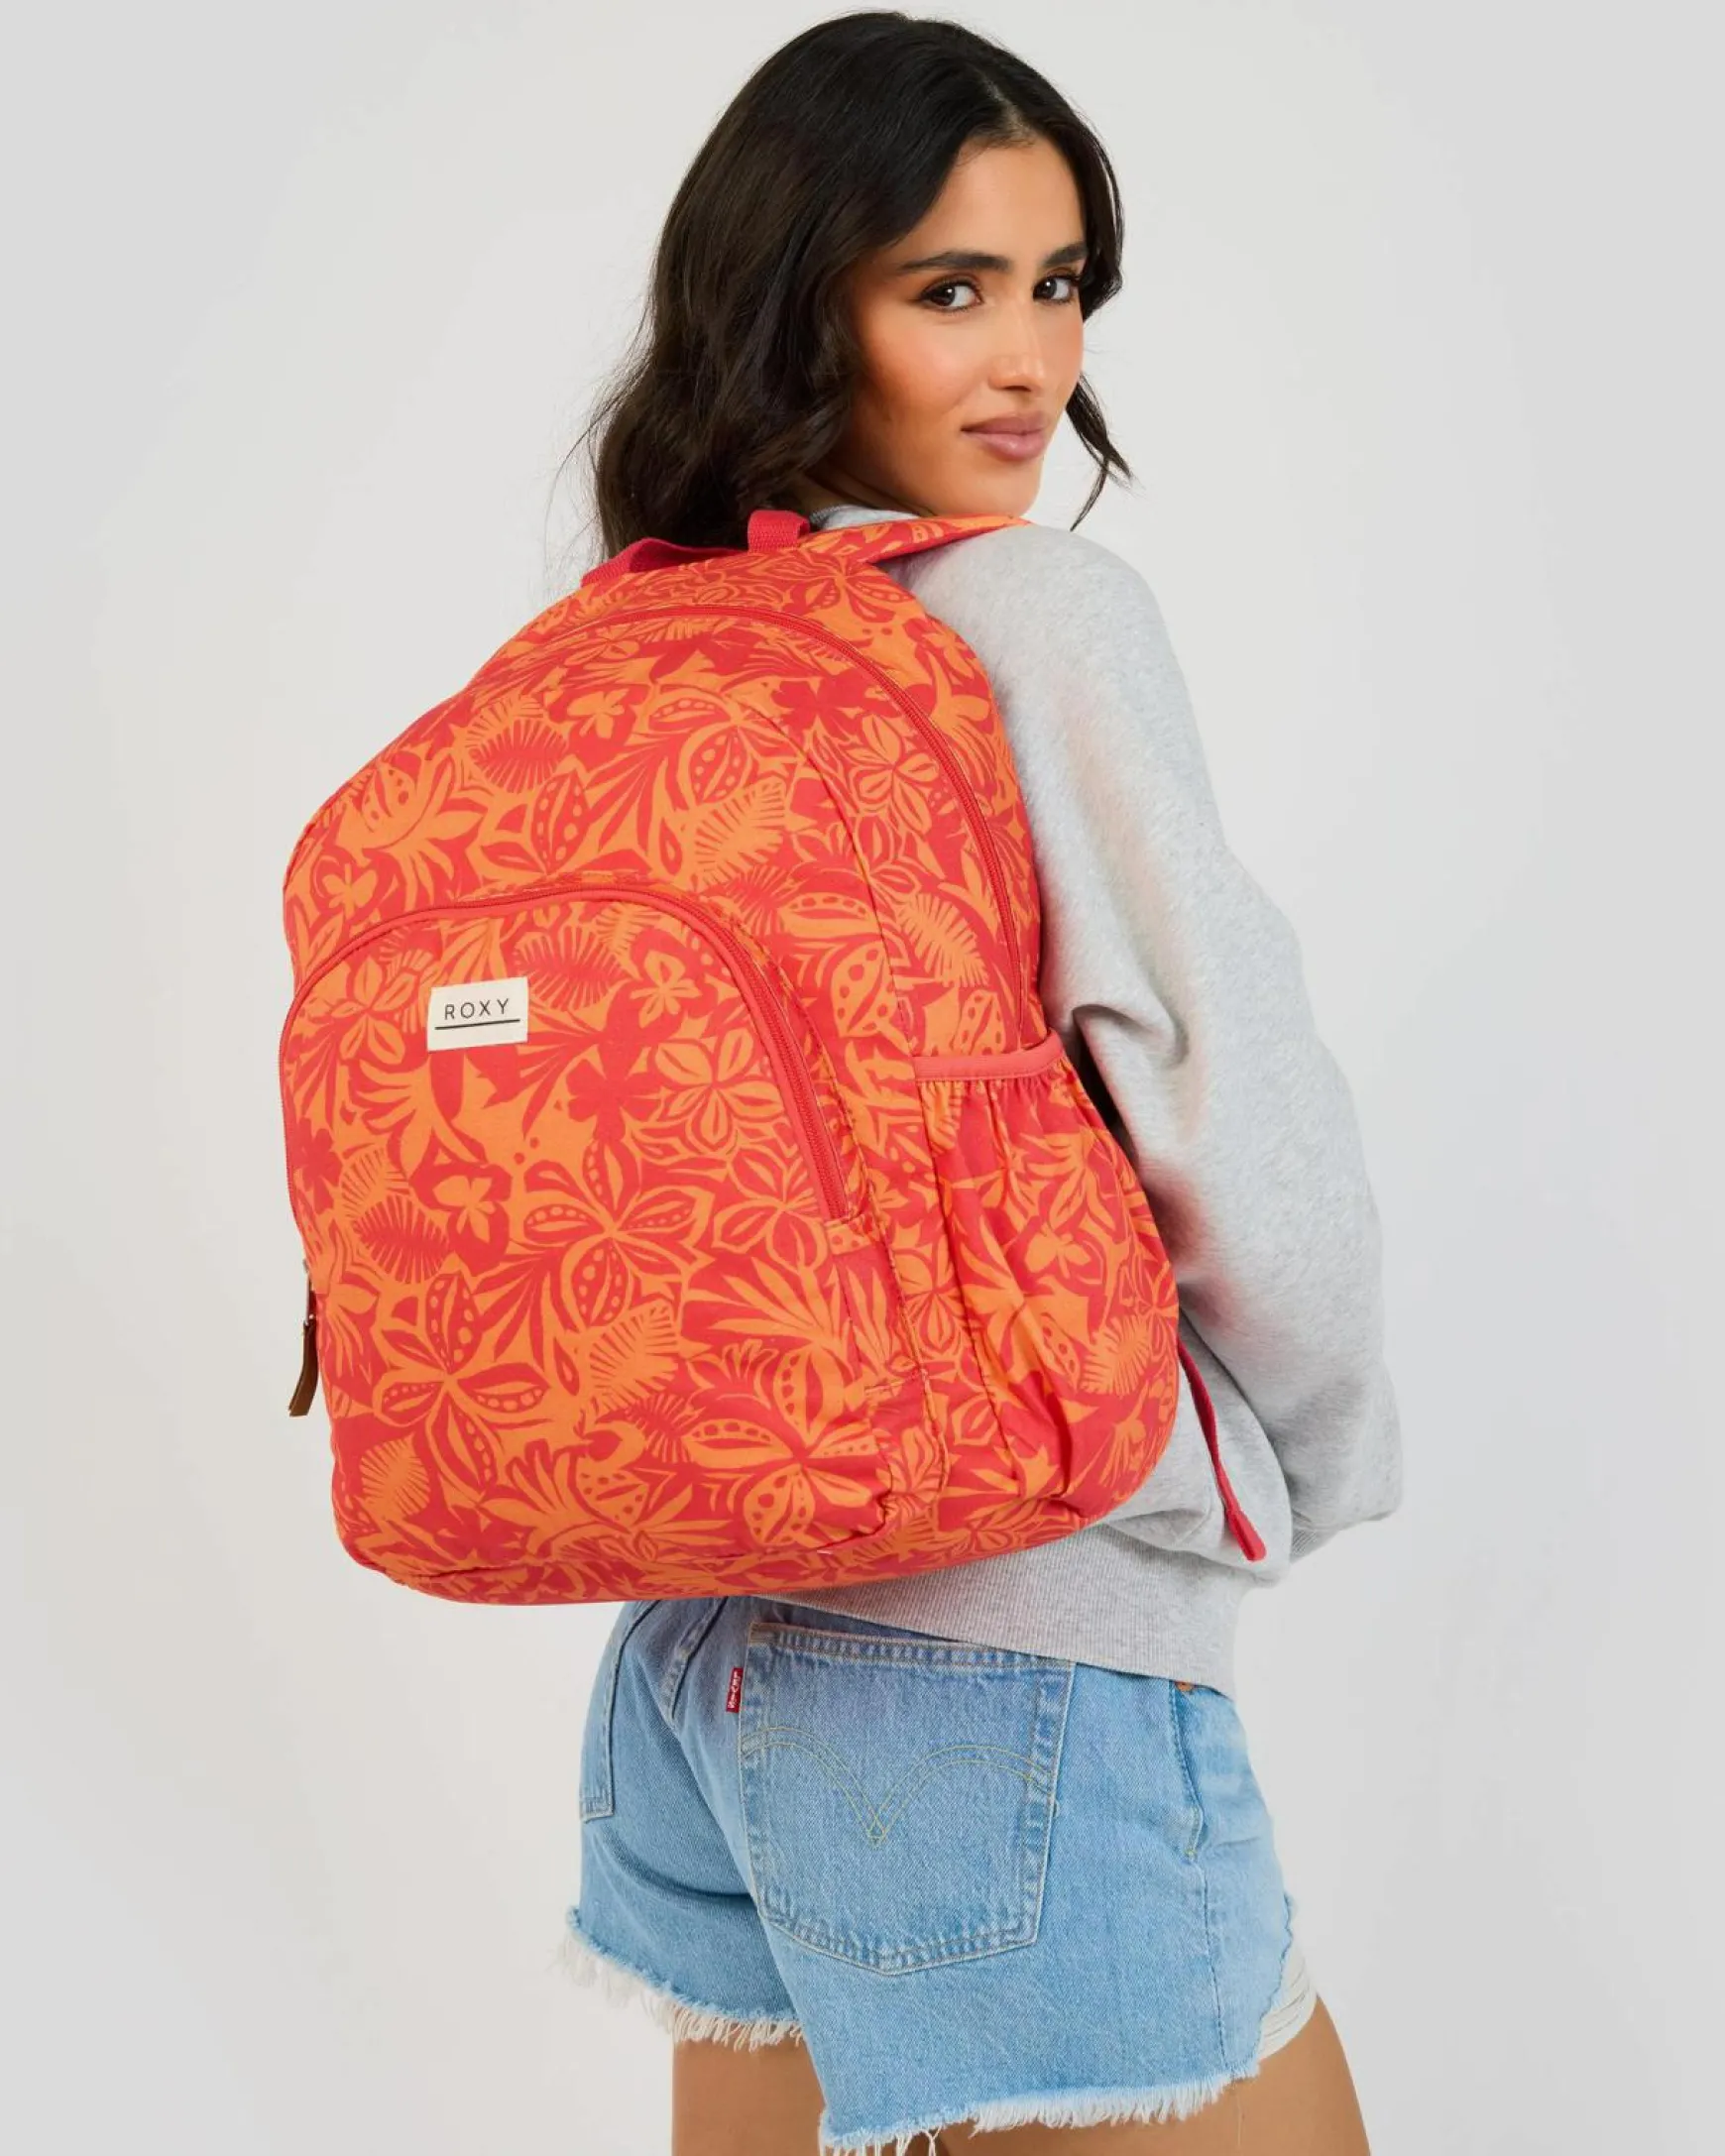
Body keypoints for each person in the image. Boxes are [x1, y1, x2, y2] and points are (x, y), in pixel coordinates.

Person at [556, 14, 1402, 2154]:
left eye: (1059, 285)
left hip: (690, 1646)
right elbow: (1229, 1109)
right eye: (950, 289)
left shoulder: (637, 639)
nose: (1028, 359)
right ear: (796, 300)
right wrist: (1290, 1467)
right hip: (1005, 1648)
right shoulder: (1036, 610)